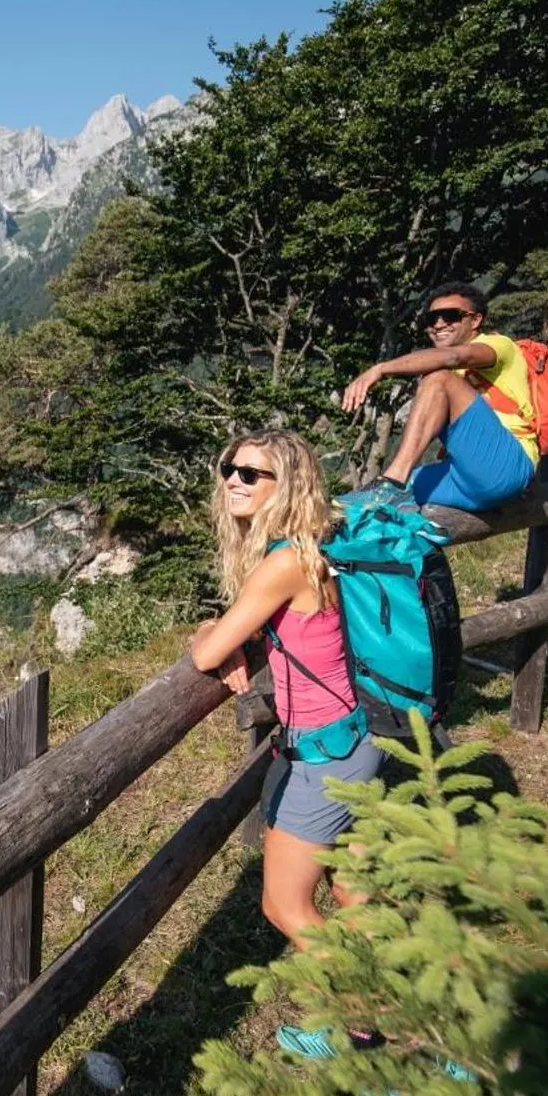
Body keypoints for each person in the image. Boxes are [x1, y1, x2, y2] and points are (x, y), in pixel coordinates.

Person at [188, 429, 382, 1062]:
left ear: (287, 486)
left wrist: (211, 630)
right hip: (360, 740)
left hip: (323, 757)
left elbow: (209, 653)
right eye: (231, 469)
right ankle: (369, 1010)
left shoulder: (283, 563)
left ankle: (376, 1024)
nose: (235, 481)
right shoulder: (313, 544)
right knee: (351, 893)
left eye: (253, 474)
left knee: (284, 903)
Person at [340, 282, 538, 512]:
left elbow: (452, 357)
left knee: (437, 379)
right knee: (364, 507)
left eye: (450, 316)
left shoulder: (497, 345)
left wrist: (380, 369)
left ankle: (392, 483)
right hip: (462, 475)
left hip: (506, 468)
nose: (439, 324)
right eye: (431, 319)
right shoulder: (452, 374)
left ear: (475, 321)